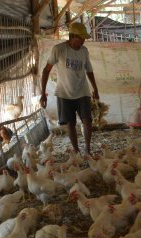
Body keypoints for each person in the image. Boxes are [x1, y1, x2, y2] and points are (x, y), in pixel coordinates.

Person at [40, 23, 99, 155]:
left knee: (87, 120)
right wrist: (43, 93)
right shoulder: (58, 49)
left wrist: (95, 88)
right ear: (72, 36)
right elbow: (46, 70)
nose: (83, 41)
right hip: (64, 93)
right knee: (70, 123)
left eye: (84, 38)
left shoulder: (84, 51)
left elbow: (89, 71)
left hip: (82, 91)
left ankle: (88, 150)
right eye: (81, 38)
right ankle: (77, 151)